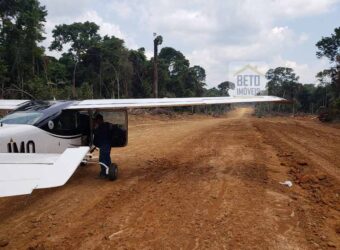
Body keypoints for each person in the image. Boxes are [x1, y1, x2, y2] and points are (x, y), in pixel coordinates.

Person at [93, 113, 112, 178]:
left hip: (104, 145)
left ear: (99, 120)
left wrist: (95, 127)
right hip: (107, 144)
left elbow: (95, 133)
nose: (96, 122)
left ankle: (104, 173)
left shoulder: (100, 127)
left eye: (96, 120)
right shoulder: (107, 125)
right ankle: (109, 172)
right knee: (107, 158)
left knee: (102, 159)